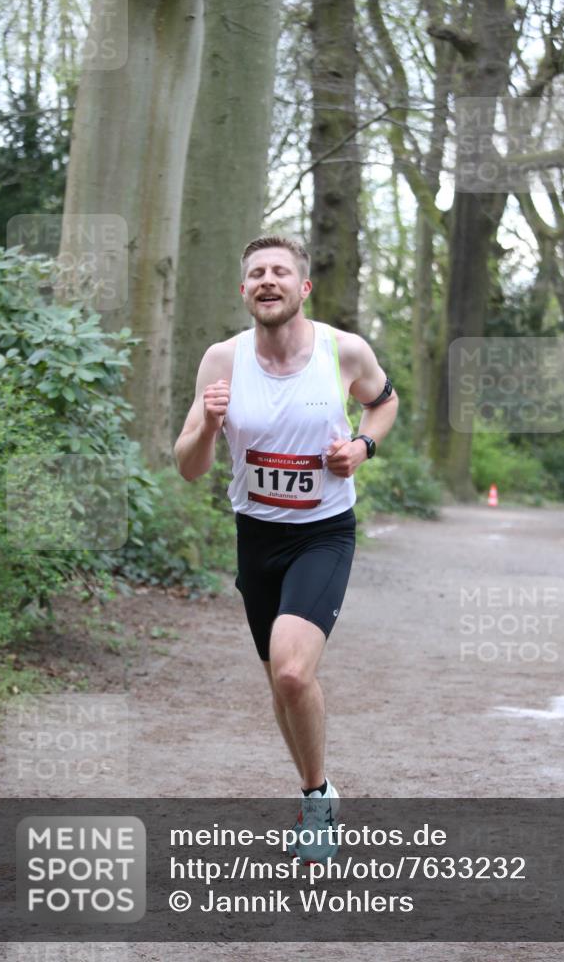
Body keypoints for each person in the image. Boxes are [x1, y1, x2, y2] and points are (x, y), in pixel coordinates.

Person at [174, 236, 398, 861]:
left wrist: (362, 447)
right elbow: (188, 466)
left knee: (294, 669)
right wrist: (208, 424)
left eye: (279, 271)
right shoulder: (222, 360)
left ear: (303, 288)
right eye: (256, 273)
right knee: (282, 680)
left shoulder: (342, 350)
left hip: (323, 532)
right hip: (257, 536)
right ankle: (316, 789)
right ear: (244, 291)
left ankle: (318, 804)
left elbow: (383, 404)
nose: (266, 280)